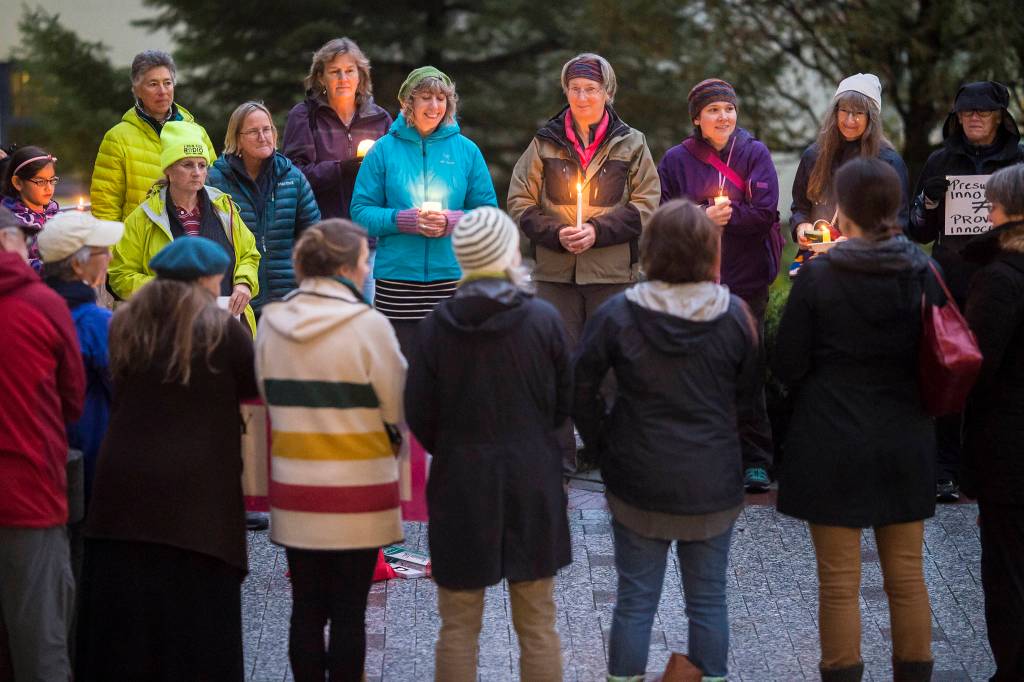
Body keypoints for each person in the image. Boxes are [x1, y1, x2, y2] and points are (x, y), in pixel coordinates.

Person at [573, 200, 756, 682]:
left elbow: (580, 387)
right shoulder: (735, 316)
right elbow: (749, 393)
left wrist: (603, 445)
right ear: (707, 250)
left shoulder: (618, 314)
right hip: (712, 479)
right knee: (709, 600)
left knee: (635, 600)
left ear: (650, 249)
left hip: (637, 476)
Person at [773, 158, 935, 682]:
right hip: (904, 435)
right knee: (908, 577)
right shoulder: (921, 269)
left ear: (844, 209)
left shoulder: (819, 275)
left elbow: (787, 363)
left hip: (832, 437)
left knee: (839, 581)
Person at [76, 237, 258, 681]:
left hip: (121, 495)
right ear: (205, 280)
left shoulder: (123, 324)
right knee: (197, 632)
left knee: (127, 630)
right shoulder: (222, 330)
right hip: (199, 502)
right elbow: (254, 391)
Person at [405, 207, 571, 681]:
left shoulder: (437, 325)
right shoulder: (543, 320)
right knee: (538, 624)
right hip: (531, 477)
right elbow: (564, 405)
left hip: (462, 480)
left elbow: (419, 412)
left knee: (457, 626)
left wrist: (456, 445)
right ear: (508, 251)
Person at [255, 219, 406, 682]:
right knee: (348, 615)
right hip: (359, 491)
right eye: (364, 260)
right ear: (345, 266)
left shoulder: (273, 321)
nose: (367, 269)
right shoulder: (368, 324)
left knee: (304, 609)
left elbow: (265, 395)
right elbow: (396, 402)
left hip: (296, 487)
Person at [506, 52, 660, 470]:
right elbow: (519, 199)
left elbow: (647, 204)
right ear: (566, 92)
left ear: (607, 92)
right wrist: (557, 233)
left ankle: (610, 453)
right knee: (556, 363)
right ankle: (559, 458)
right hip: (556, 275)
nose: (582, 96)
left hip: (612, 274)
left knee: (612, 368)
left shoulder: (633, 143)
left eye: (590, 88)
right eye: (574, 88)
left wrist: (597, 232)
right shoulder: (544, 141)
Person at [657, 78, 781, 493]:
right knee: (696, 368)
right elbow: (665, 215)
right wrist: (700, 217)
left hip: (746, 278)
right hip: (694, 277)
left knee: (749, 365)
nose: (723, 116)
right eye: (713, 110)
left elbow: (766, 213)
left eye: (728, 109)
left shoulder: (754, 152)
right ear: (697, 117)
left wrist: (731, 218)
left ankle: (756, 460)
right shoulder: (676, 159)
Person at [908, 80, 1024, 504]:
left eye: (983, 111)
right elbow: (916, 230)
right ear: (955, 118)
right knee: (951, 371)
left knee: (1003, 376)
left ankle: (992, 464)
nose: (974, 118)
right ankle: (944, 468)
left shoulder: (1020, 159)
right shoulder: (940, 160)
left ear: (1000, 118)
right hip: (953, 282)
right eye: (966, 112)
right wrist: (931, 204)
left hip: (1008, 281)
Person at [350, 66, 497, 355]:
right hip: (397, 280)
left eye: (441, 98)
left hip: (452, 276)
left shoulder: (467, 151)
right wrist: (402, 220)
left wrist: (452, 221)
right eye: (426, 97)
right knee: (402, 364)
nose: (434, 106)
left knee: (452, 364)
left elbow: (488, 214)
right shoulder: (382, 150)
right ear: (409, 103)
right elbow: (360, 212)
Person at [0, 205, 85, 682]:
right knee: (41, 645)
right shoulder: (42, 304)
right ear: (9, 241)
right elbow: (72, 400)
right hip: (28, 493)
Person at [108, 120, 261, 335]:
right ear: (168, 169)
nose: (197, 172)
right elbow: (119, 276)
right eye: (187, 165)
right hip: (166, 332)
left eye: (201, 165)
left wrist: (244, 283)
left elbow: (249, 255)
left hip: (225, 327)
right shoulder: (143, 217)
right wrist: (166, 291)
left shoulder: (224, 208)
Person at [961, 164, 1024, 681]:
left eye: (993, 203)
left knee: (1007, 573)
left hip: (1010, 453)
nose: (986, 210)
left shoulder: (1001, 279)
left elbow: (975, 365)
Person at [283, 37, 392, 301]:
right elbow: (294, 175)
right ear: (320, 77)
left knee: (363, 318)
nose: (343, 78)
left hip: (368, 242)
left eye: (349, 70)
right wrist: (340, 169)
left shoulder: (381, 119)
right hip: (323, 240)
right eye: (334, 71)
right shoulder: (305, 116)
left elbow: (396, 176)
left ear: (360, 75)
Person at [38, 212, 124, 505]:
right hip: (93, 456)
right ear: (77, 263)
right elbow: (125, 389)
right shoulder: (95, 322)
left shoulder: (31, 311)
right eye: (103, 251)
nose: (111, 257)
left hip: (42, 453)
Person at [789, 74, 909, 276]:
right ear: (834, 112)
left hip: (867, 268)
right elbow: (800, 206)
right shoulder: (814, 156)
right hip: (818, 263)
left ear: (871, 118)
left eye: (858, 113)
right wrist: (802, 226)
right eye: (843, 110)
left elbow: (900, 222)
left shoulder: (888, 162)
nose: (849, 120)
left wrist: (858, 242)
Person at [209, 101, 321, 314]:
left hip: (287, 298)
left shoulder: (292, 177)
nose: (262, 136)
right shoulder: (215, 181)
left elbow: (313, 238)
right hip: (237, 299)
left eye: (267, 129)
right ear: (237, 139)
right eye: (253, 131)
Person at [91, 50, 216, 221]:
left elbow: (215, 190)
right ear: (137, 89)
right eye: (153, 84)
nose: (162, 91)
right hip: (140, 243)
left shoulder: (197, 132)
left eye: (167, 83)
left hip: (191, 239)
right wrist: (114, 248)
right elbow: (105, 208)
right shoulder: (117, 138)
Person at [1, 145, 60, 271]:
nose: (49, 188)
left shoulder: (54, 212)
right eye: (41, 181)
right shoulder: (9, 222)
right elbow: (16, 264)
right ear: (18, 183)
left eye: (52, 180)